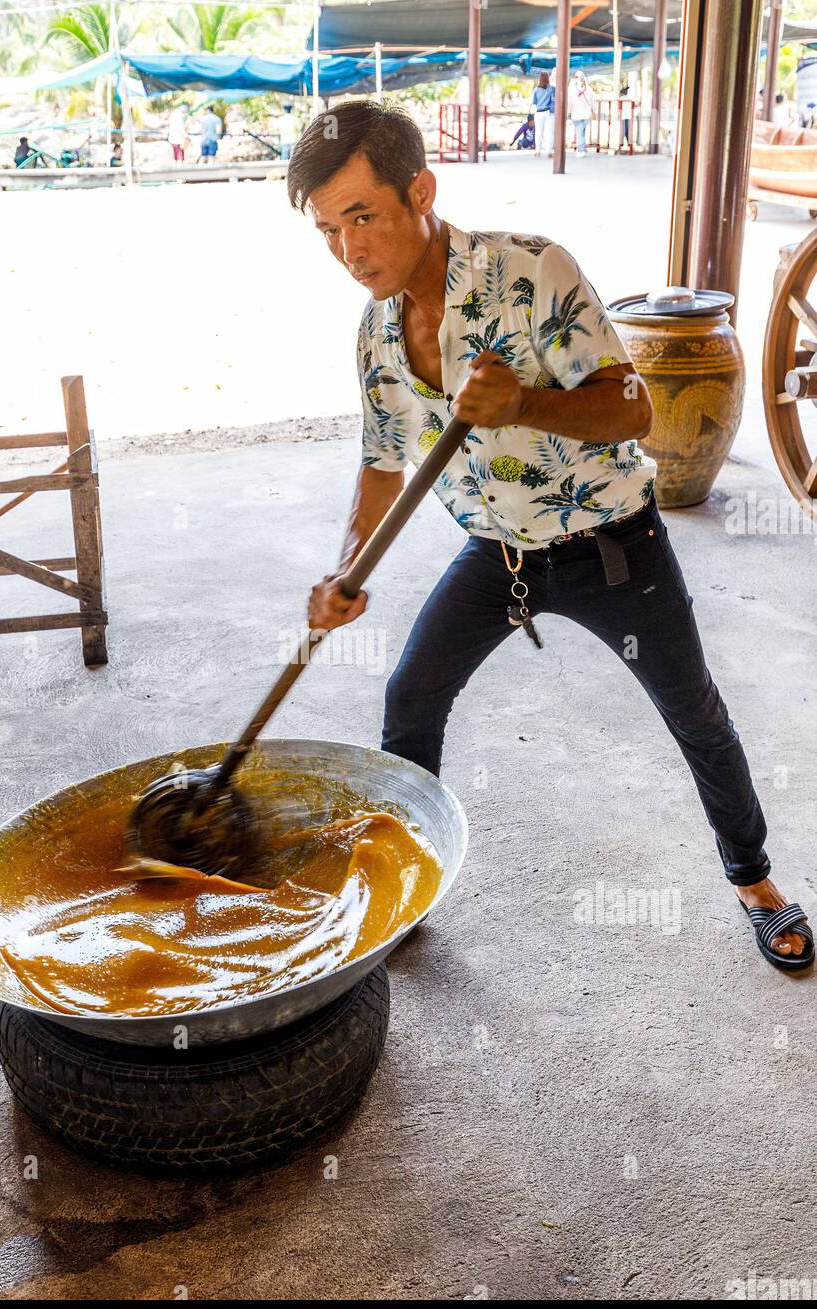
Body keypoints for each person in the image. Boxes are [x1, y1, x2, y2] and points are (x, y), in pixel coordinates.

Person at [285, 99, 813, 970]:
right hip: (495, 554)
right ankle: (405, 881)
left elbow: (636, 409)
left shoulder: (529, 273)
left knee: (695, 714)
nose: (351, 251)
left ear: (421, 189)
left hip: (614, 546)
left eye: (364, 217)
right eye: (330, 231)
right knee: (411, 697)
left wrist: (525, 403)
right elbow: (383, 461)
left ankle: (755, 881)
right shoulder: (376, 332)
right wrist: (348, 570)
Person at [568, 70, 593, 157]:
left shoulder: (571, 89)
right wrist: (594, 110)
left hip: (576, 115)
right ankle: (583, 147)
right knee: (582, 132)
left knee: (579, 133)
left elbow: (569, 102)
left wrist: (568, 112)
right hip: (587, 115)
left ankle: (581, 150)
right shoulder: (589, 89)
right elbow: (592, 102)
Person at [531, 70, 555, 157]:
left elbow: (534, 102)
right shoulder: (552, 89)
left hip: (539, 113)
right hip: (549, 113)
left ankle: (537, 151)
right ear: (548, 78)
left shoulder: (536, 90)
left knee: (539, 132)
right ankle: (548, 152)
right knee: (549, 133)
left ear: (540, 79)